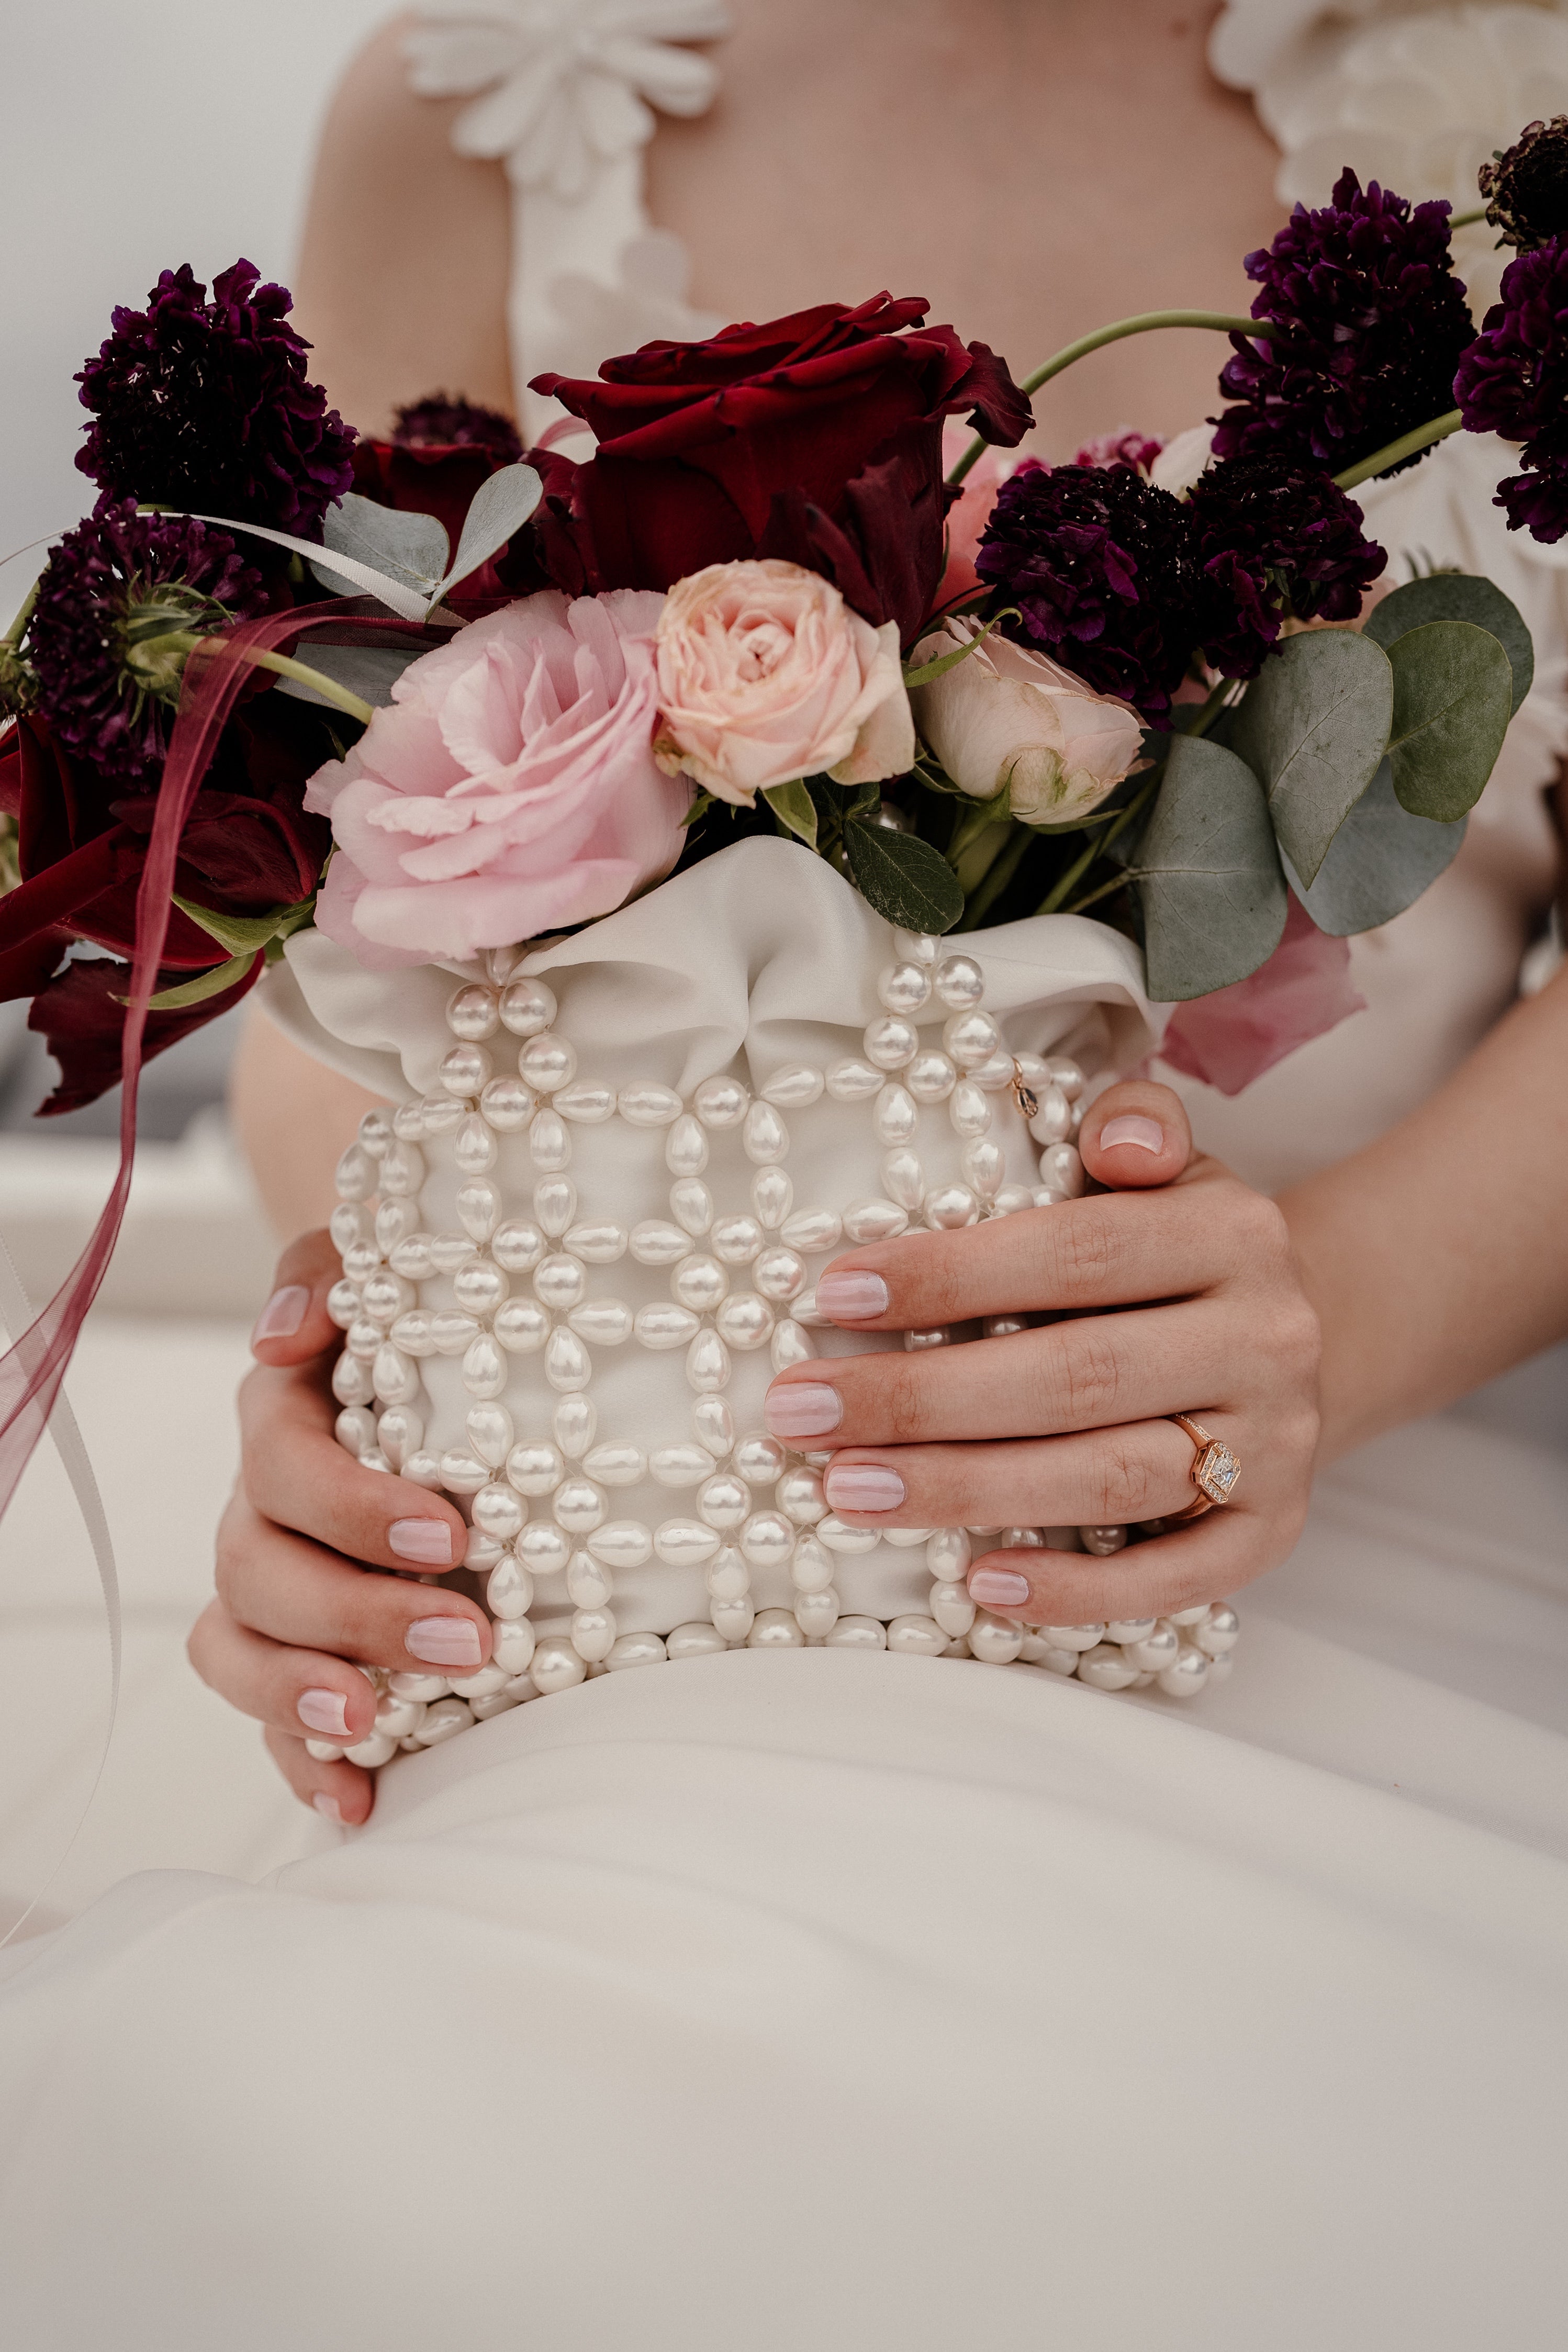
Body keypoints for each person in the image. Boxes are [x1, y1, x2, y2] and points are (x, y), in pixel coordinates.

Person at [2, 7, 1565, 2344]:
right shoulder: (479, 101)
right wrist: (386, 1365)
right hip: (609, 1579)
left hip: (1348, 1530)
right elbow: (355, 928)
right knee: (361, 2137)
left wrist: (1291, 1334)